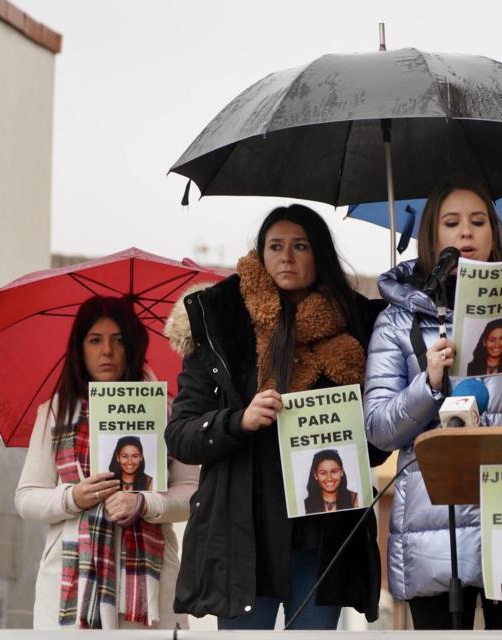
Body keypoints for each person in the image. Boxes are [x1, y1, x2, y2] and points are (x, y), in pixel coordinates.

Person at [363, 176, 502, 630]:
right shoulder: (396, 320)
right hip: (433, 524)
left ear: (494, 233)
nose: (465, 233)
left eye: (478, 221)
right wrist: (427, 384)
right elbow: (380, 431)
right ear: (433, 237)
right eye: (451, 223)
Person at [163, 204, 388, 630]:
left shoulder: (362, 326)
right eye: (275, 246)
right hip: (244, 537)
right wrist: (238, 420)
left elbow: (378, 448)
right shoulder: (220, 323)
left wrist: (360, 428)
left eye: (300, 245)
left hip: (326, 534)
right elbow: (181, 435)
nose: (286, 256)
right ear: (260, 256)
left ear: (319, 254)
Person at [15, 295, 198, 629]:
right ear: (79, 348)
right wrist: (73, 497)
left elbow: (194, 493)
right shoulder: (55, 413)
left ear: (132, 345)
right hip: (70, 585)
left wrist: (144, 503)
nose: (107, 351)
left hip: (150, 592)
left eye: (118, 339)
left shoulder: (169, 411)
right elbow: (26, 497)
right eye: (95, 340)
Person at [304, 449, 359, 514]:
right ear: (315, 475)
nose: (329, 478)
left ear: (341, 471)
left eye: (334, 471)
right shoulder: (305, 505)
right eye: (323, 473)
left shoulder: (355, 499)